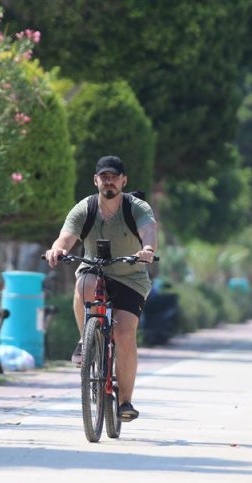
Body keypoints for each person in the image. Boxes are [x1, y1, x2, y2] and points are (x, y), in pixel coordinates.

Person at [45, 155, 157, 422]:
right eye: (104, 177)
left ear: (123, 181)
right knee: (83, 281)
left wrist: (148, 249)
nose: (109, 181)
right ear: (96, 180)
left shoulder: (136, 207)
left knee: (125, 333)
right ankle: (86, 339)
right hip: (94, 269)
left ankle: (125, 401)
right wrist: (58, 249)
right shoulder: (85, 208)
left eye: (114, 177)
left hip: (130, 276)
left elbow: (149, 230)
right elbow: (67, 236)